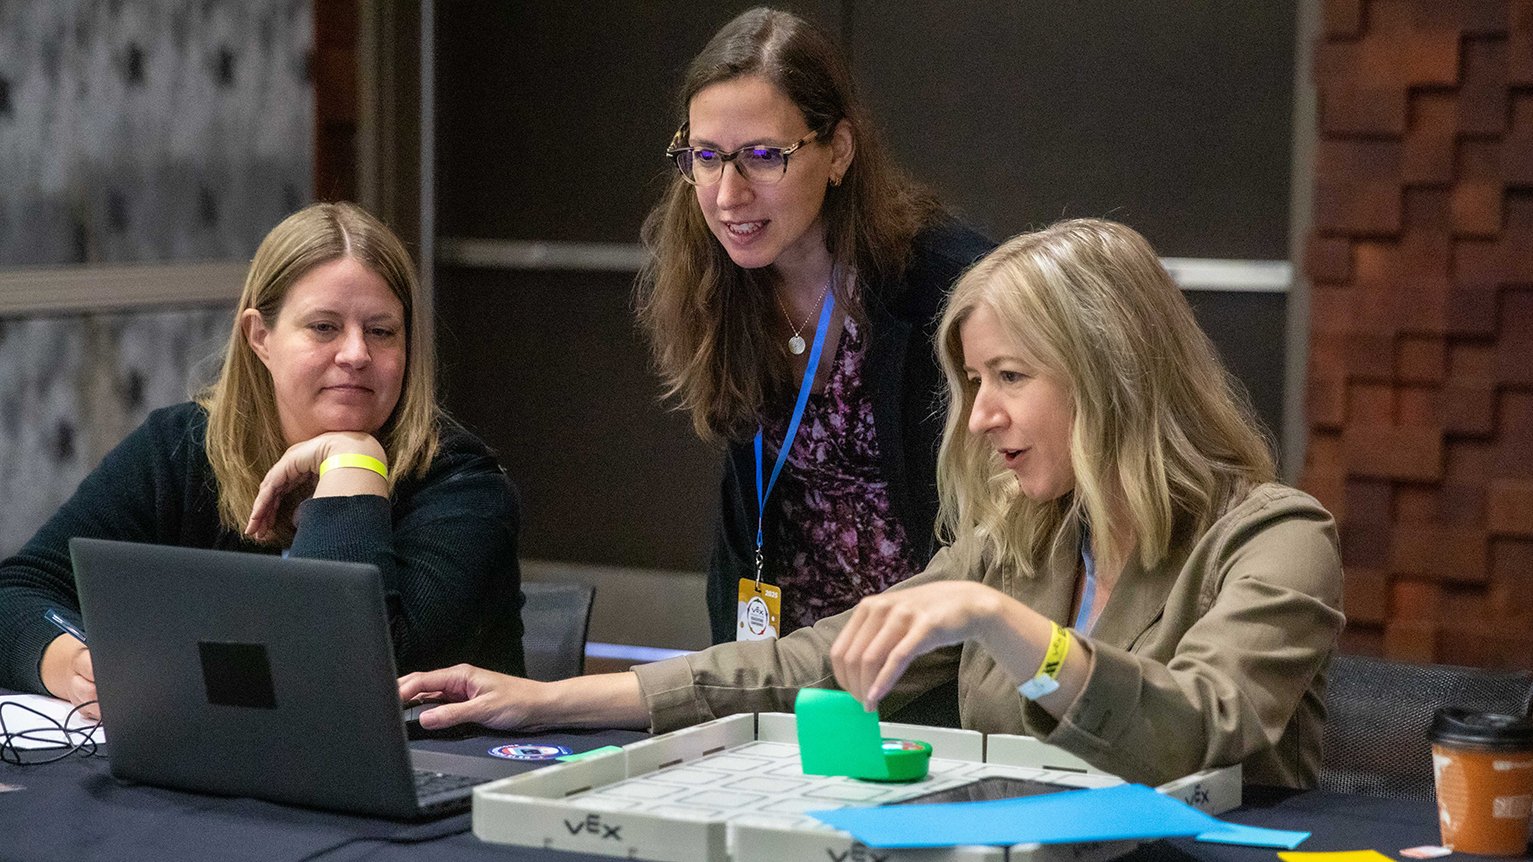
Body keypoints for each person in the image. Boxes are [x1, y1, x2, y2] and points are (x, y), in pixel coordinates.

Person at [400, 219, 1345, 788]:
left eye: (1009, 376)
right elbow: (807, 662)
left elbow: (1202, 727)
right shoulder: (1020, 542)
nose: (980, 418)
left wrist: (1010, 628)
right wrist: (547, 701)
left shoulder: (1271, 539)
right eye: (974, 382)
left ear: (1112, 377)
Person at [0, 202, 524, 717]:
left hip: (429, 783)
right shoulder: (182, 447)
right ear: (260, 336)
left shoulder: (463, 486)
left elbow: (344, 680)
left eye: (382, 331)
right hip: (219, 774)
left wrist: (353, 466)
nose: (357, 353)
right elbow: (18, 591)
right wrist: (65, 661)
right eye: (324, 327)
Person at [635, 7, 994, 644]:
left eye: (764, 156)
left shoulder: (950, 284)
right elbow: (743, 514)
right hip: (789, 665)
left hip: (939, 663)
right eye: (707, 157)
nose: (727, 195)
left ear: (838, 153)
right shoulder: (714, 277)